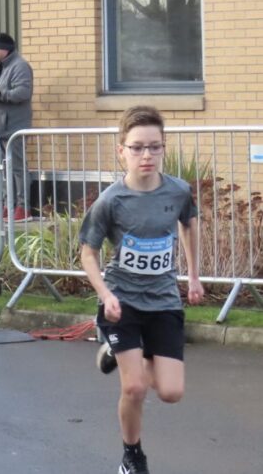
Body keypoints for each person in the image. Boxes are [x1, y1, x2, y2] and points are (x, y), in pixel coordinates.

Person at [79, 106, 203, 474]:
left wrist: (194, 275)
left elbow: (189, 223)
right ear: (122, 151)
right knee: (134, 388)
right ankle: (132, 456)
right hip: (122, 301)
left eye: (154, 147)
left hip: (164, 300)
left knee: (171, 392)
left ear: (164, 148)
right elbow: (88, 252)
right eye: (137, 148)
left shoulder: (179, 190)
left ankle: (118, 353)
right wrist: (105, 294)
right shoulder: (110, 200)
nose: (146, 155)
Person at [0, 32, 34, 222]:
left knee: (17, 168)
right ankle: (6, 206)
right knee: (2, 168)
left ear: (4, 49)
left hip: (14, 127)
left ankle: (22, 207)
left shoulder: (20, 66)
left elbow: (23, 92)